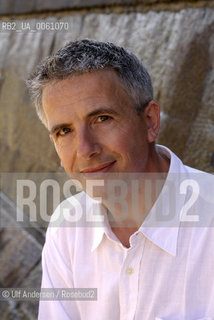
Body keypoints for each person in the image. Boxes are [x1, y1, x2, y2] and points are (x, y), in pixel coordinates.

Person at [27, 39, 214, 320]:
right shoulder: (67, 226)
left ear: (150, 121)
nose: (86, 149)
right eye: (64, 131)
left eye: (102, 118)